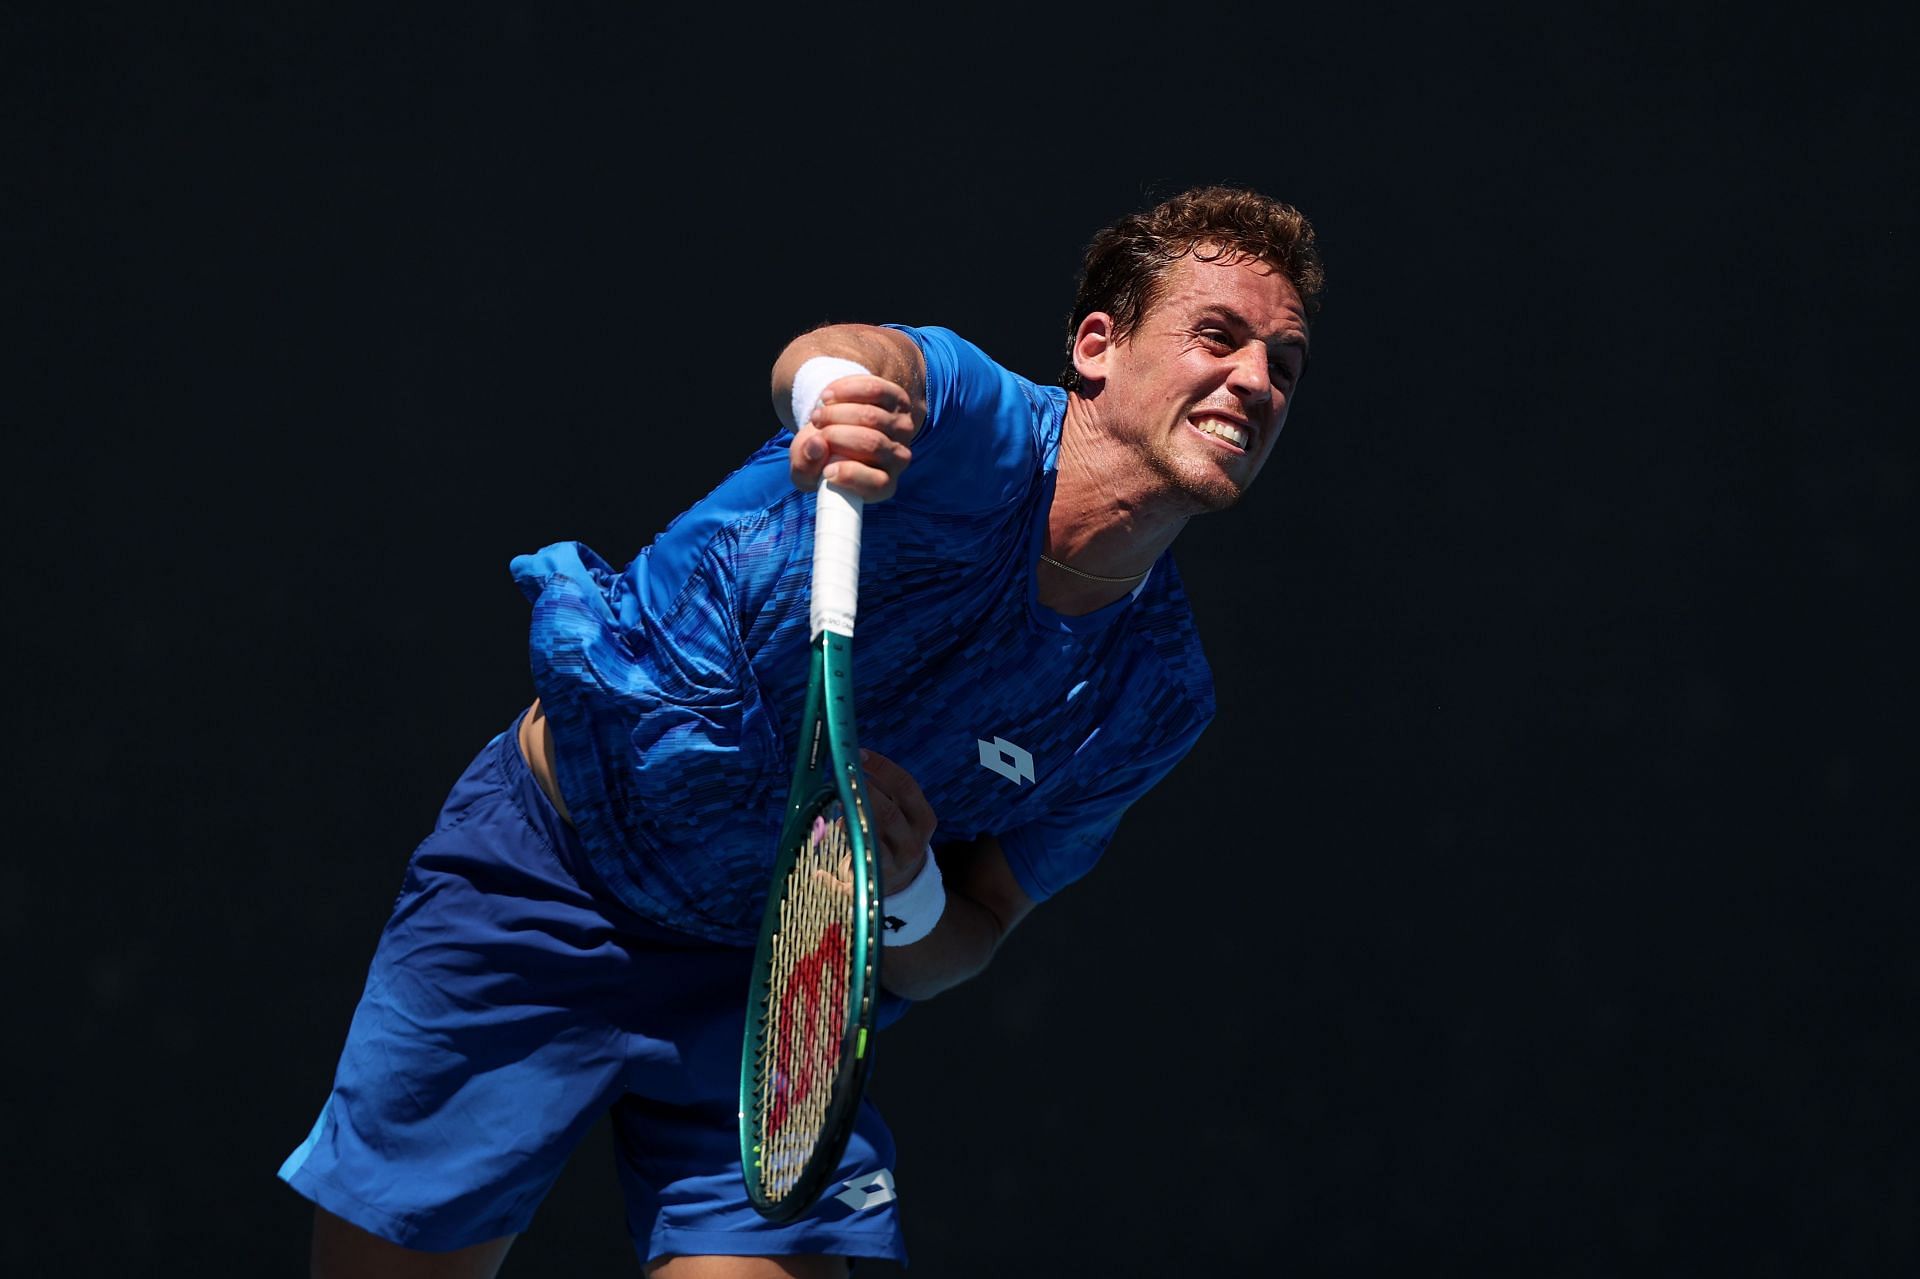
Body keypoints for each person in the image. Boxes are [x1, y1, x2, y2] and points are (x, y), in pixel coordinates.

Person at [279, 184, 1324, 1278]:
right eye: (1220, 336)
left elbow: (967, 936)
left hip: (778, 985)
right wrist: (827, 392)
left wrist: (909, 884)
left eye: (1283, 366)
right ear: (1097, 346)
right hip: (545, 888)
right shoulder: (970, 424)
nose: (1254, 381)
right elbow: (847, 357)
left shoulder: (1154, 692)